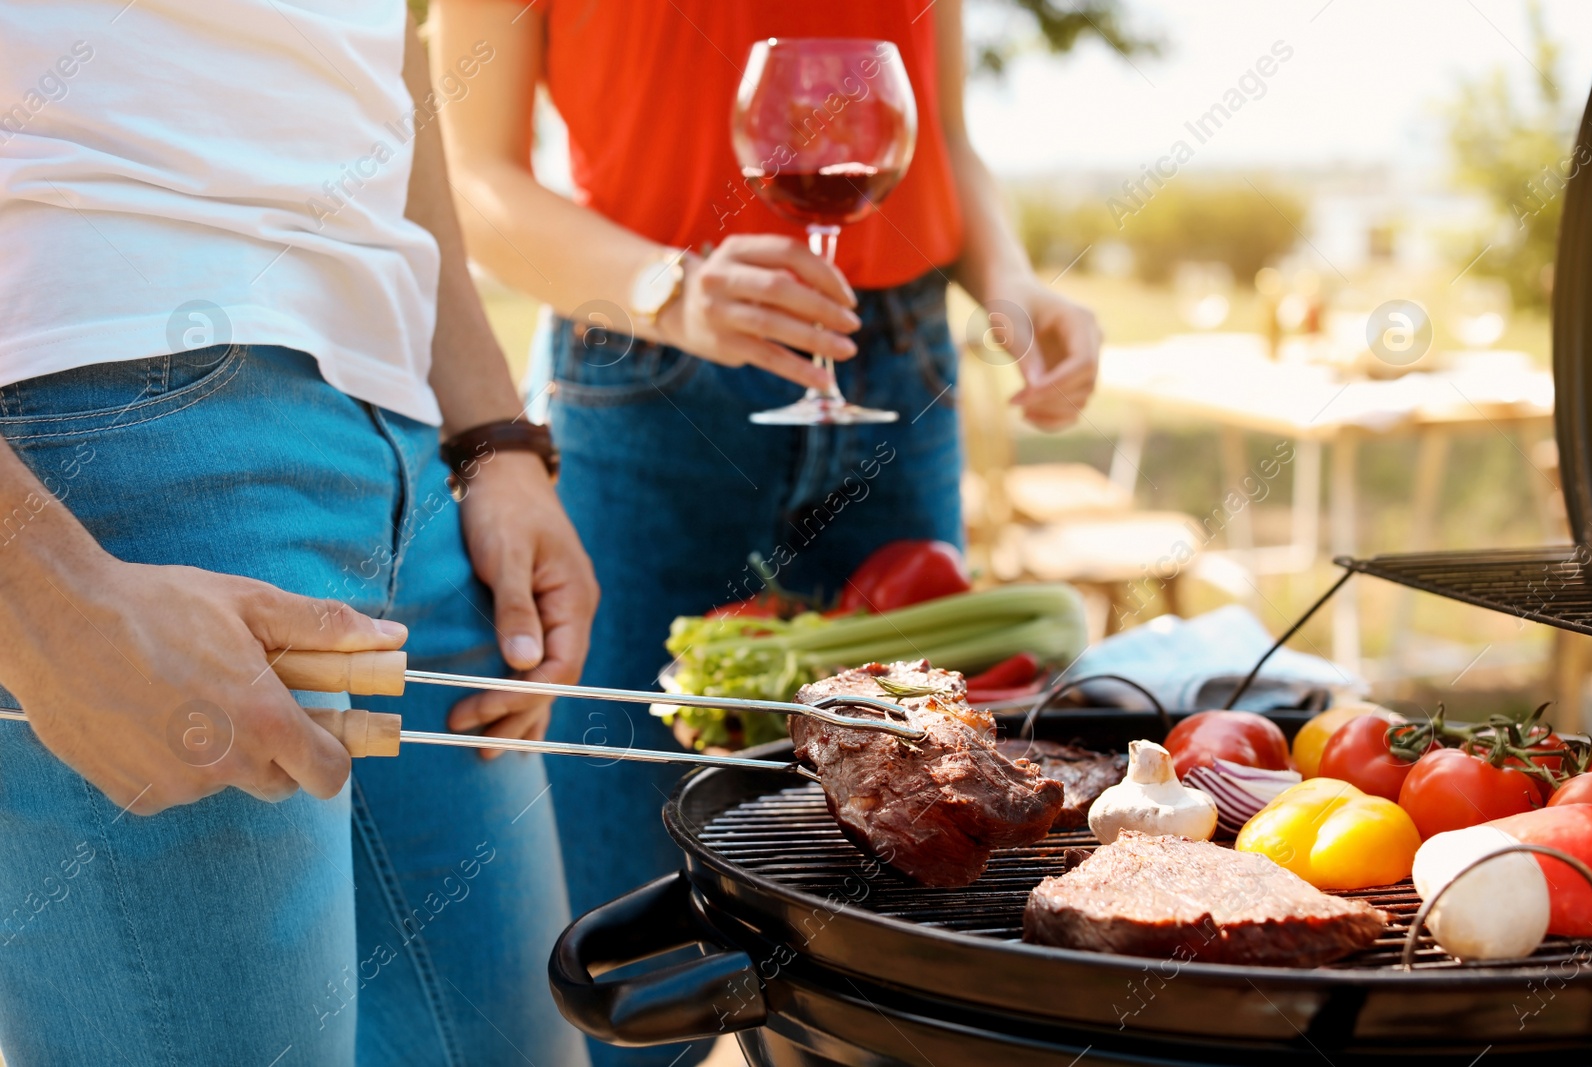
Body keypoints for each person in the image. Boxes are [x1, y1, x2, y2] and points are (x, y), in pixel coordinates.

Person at [435, 2, 1101, 1064]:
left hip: (896, 363)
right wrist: (677, 291)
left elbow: (944, 138)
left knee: (911, 887)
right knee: (628, 920)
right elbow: (476, 181)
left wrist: (1009, 283)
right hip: (646, 373)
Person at [0, 4, 596, 1064]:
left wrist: (493, 433)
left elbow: (386, 53)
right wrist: (45, 591)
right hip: (114, 453)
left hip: (408, 444)